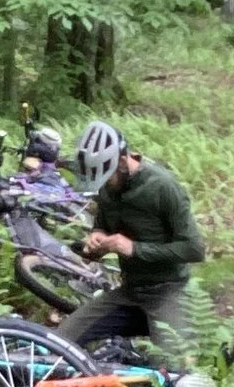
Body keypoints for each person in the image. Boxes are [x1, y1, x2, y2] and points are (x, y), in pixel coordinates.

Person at [63, 119, 207, 351]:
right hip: (129, 293)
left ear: (122, 161)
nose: (105, 186)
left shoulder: (162, 186)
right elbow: (102, 222)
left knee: (175, 371)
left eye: (107, 178)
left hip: (169, 291)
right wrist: (97, 236)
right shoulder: (107, 188)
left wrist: (133, 248)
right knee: (62, 341)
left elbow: (194, 249)